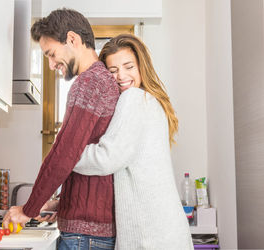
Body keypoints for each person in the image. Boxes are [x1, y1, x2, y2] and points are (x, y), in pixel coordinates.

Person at [2, 8, 119, 249]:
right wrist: (59, 202)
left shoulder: (90, 82)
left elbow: (65, 153)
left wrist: (28, 208)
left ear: (73, 39)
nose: (52, 64)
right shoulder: (99, 80)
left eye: (52, 54)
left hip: (84, 236)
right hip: (89, 231)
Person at [71, 34, 194, 249]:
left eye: (129, 67)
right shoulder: (151, 101)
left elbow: (107, 158)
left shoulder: (134, 98)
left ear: (141, 67)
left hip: (150, 236)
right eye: (113, 70)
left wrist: (66, 153)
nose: (121, 76)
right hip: (165, 231)